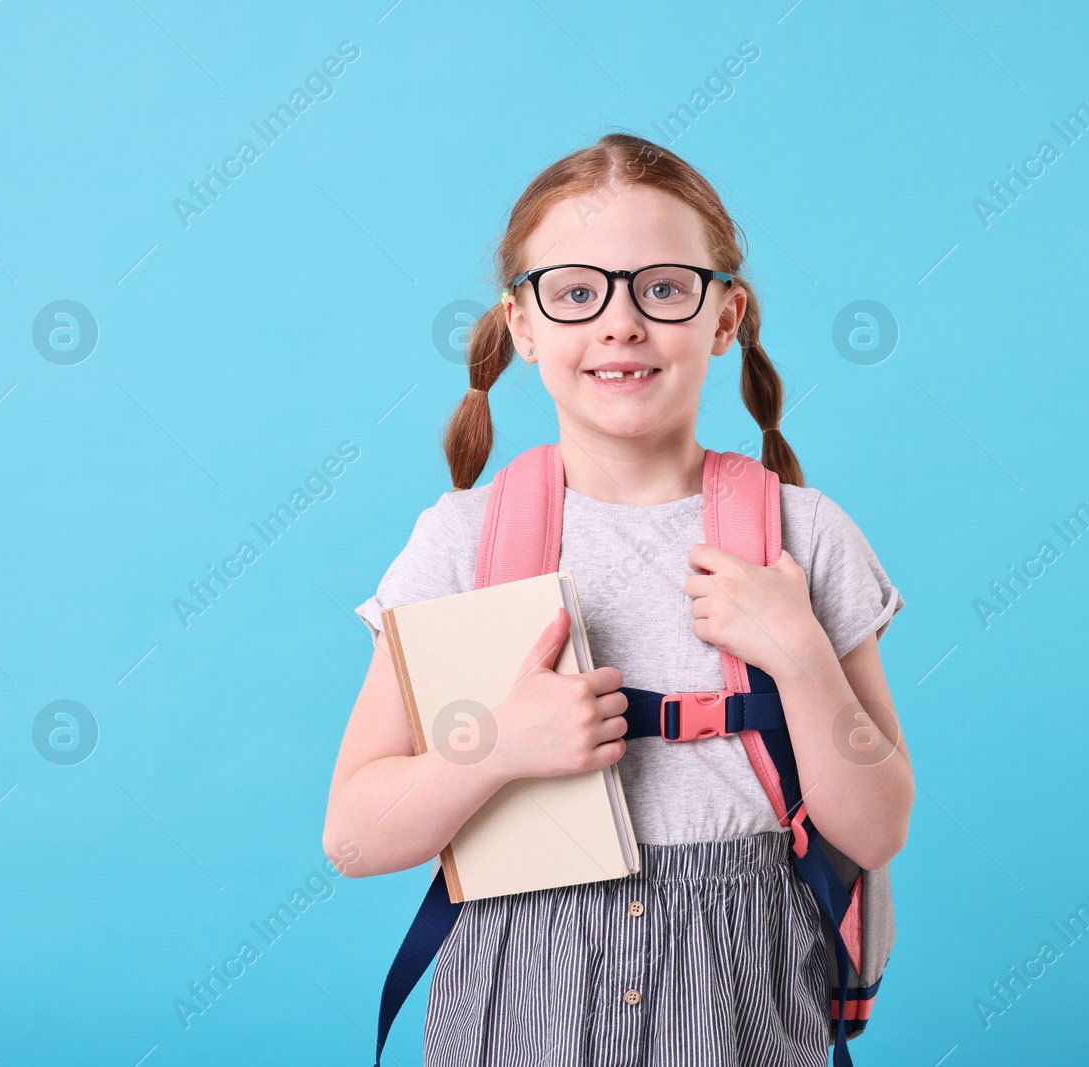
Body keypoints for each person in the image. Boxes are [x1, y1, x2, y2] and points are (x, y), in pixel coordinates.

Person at [323, 132, 913, 1066]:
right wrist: (498, 748)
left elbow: (879, 825)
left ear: (727, 317)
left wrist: (798, 654)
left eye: (664, 287)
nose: (621, 323)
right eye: (574, 291)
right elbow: (355, 835)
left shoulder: (806, 536)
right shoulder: (459, 541)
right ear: (521, 324)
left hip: (741, 1012)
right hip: (520, 1004)